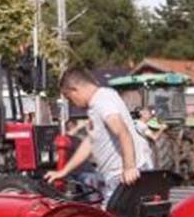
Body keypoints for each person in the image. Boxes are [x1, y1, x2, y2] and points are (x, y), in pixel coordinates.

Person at [45, 68, 152, 205]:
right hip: (118, 177)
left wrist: (129, 167)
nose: (73, 104)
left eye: (70, 98)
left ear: (74, 90)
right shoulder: (103, 98)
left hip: (123, 177)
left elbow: (122, 131)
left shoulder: (101, 102)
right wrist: (63, 171)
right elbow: (90, 142)